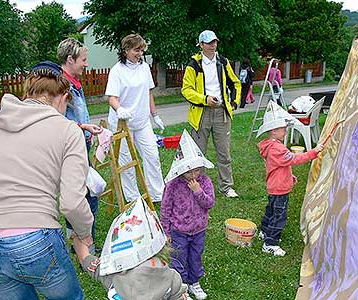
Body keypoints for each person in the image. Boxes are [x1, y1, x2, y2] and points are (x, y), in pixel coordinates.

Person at [0, 62, 94, 299]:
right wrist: (85, 233)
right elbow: (72, 203)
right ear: (63, 97)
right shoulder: (67, 130)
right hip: (33, 237)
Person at [71, 197, 193, 300]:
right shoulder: (172, 278)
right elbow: (180, 296)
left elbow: (85, 259)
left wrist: (77, 238)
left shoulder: (114, 276)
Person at [256, 102, 323, 257]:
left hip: (275, 185)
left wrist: (289, 176)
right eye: (283, 128)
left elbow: (280, 166)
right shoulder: (278, 149)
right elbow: (294, 159)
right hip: (280, 188)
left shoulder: (270, 146)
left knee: (271, 211)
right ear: (273, 130)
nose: (286, 131)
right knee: (279, 216)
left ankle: (264, 231)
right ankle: (270, 243)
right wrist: (313, 152)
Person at [182, 30, 241, 198]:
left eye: (215, 41)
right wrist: (204, 99)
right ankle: (196, 187)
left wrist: (234, 102)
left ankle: (227, 187)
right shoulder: (193, 64)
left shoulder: (223, 62)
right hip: (201, 113)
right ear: (201, 45)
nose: (213, 45)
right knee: (198, 153)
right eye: (209, 42)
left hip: (221, 112)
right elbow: (186, 90)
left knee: (224, 152)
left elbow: (236, 83)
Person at [106, 33, 165, 203]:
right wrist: (120, 109)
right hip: (122, 122)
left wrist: (155, 115)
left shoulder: (144, 67)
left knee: (152, 156)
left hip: (142, 121)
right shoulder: (117, 71)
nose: (139, 54)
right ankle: (133, 198)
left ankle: (156, 194)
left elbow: (148, 92)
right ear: (126, 50)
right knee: (127, 163)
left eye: (141, 50)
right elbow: (112, 98)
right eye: (136, 50)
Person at [57, 38, 103, 253]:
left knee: (78, 194)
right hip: (71, 149)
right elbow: (56, 121)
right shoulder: (60, 86)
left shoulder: (74, 82)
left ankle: (75, 243)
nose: (86, 64)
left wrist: (87, 131)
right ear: (70, 59)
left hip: (82, 145)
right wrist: (84, 126)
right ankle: (87, 248)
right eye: (83, 60)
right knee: (87, 196)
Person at [161, 130, 215, 300]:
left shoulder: (204, 182)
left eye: (197, 170)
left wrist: (198, 191)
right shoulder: (173, 185)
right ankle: (181, 287)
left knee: (195, 256)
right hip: (179, 231)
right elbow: (166, 208)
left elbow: (209, 203)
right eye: (189, 171)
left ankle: (194, 282)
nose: (193, 175)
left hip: (199, 229)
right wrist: (166, 231)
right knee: (178, 258)